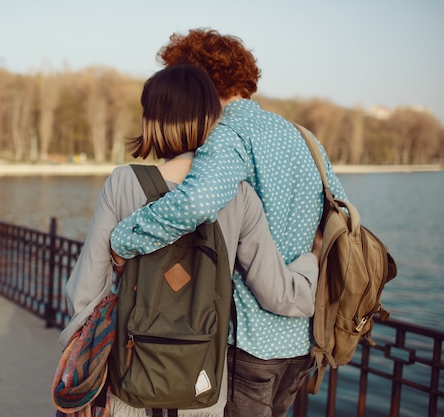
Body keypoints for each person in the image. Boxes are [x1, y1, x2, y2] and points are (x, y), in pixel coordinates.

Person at [109, 29, 349, 417]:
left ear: (199, 83)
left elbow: (197, 203)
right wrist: (312, 257)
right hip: (301, 341)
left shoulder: (225, 134)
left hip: (246, 341)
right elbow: (343, 216)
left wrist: (125, 238)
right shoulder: (303, 138)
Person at [59, 64, 321, 416]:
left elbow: (85, 291)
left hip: (130, 377)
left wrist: (85, 360)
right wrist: (310, 262)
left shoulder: (123, 183)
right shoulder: (239, 196)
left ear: (152, 121)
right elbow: (276, 294)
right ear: (213, 122)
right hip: (203, 387)